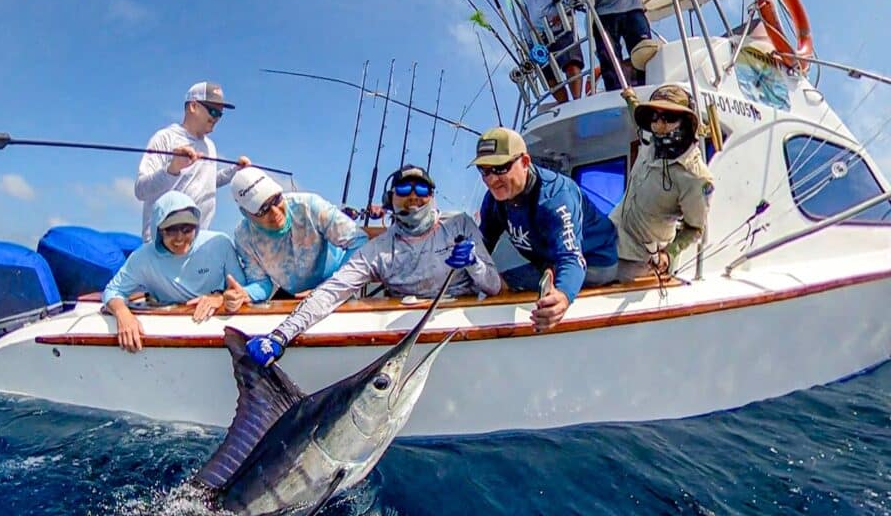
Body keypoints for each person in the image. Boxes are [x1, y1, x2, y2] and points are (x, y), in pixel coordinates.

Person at [239, 165, 503, 366]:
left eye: (422, 190)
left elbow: (493, 287)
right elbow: (333, 290)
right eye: (403, 190)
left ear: (432, 196)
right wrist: (280, 336)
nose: (413, 196)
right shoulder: (378, 249)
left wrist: (473, 263)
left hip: (463, 335)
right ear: (391, 198)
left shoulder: (460, 224)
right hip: (410, 340)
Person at [472, 127, 618, 332]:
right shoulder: (495, 200)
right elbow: (482, 244)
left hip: (595, 259)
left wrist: (564, 296)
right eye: (484, 171)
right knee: (494, 282)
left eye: (500, 168)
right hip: (548, 263)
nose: (492, 179)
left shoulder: (556, 196)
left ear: (524, 162)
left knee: (503, 284)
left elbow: (571, 258)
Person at [102, 190, 246, 352]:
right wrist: (123, 315)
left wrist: (220, 298)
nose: (179, 238)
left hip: (216, 326)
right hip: (170, 327)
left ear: (196, 226)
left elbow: (242, 289)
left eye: (187, 229)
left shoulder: (220, 243)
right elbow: (113, 290)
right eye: (170, 230)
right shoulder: (142, 257)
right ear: (158, 230)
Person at [221, 167, 369, 310]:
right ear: (245, 213)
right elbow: (261, 282)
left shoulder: (309, 205)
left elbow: (359, 241)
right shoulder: (243, 236)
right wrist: (245, 294)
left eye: (276, 199)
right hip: (295, 298)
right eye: (262, 209)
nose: (274, 212)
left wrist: (329, 289)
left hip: (338, 287)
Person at [612, 85, 714, 281]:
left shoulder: (696, 177)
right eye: (654, 117)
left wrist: (669, 254)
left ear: (685, 123)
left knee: (589, 275)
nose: (659, 125)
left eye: (668, 118)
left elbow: (694, 229)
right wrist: (630, 98)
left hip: (637, 258)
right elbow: (637, 116)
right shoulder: (650, 139)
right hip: (613, 231)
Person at [134, 80, 250, 242]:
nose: (216, 118)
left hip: (196, 243)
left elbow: (206, 181)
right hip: (162, 243)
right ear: (193, 107)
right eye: (213, 111)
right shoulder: (164, 138)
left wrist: (233, 171)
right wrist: (172, 168)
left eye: (220, 114)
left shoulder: (210, 146)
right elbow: (140, 190)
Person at [517, 0, 585, 102]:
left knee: (571, 63)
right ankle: (564, 105)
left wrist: (563, 13)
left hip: (561, 29)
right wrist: (528, 42)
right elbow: (525, 15)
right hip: (539, 38)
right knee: (548, 76)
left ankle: (577, 101)